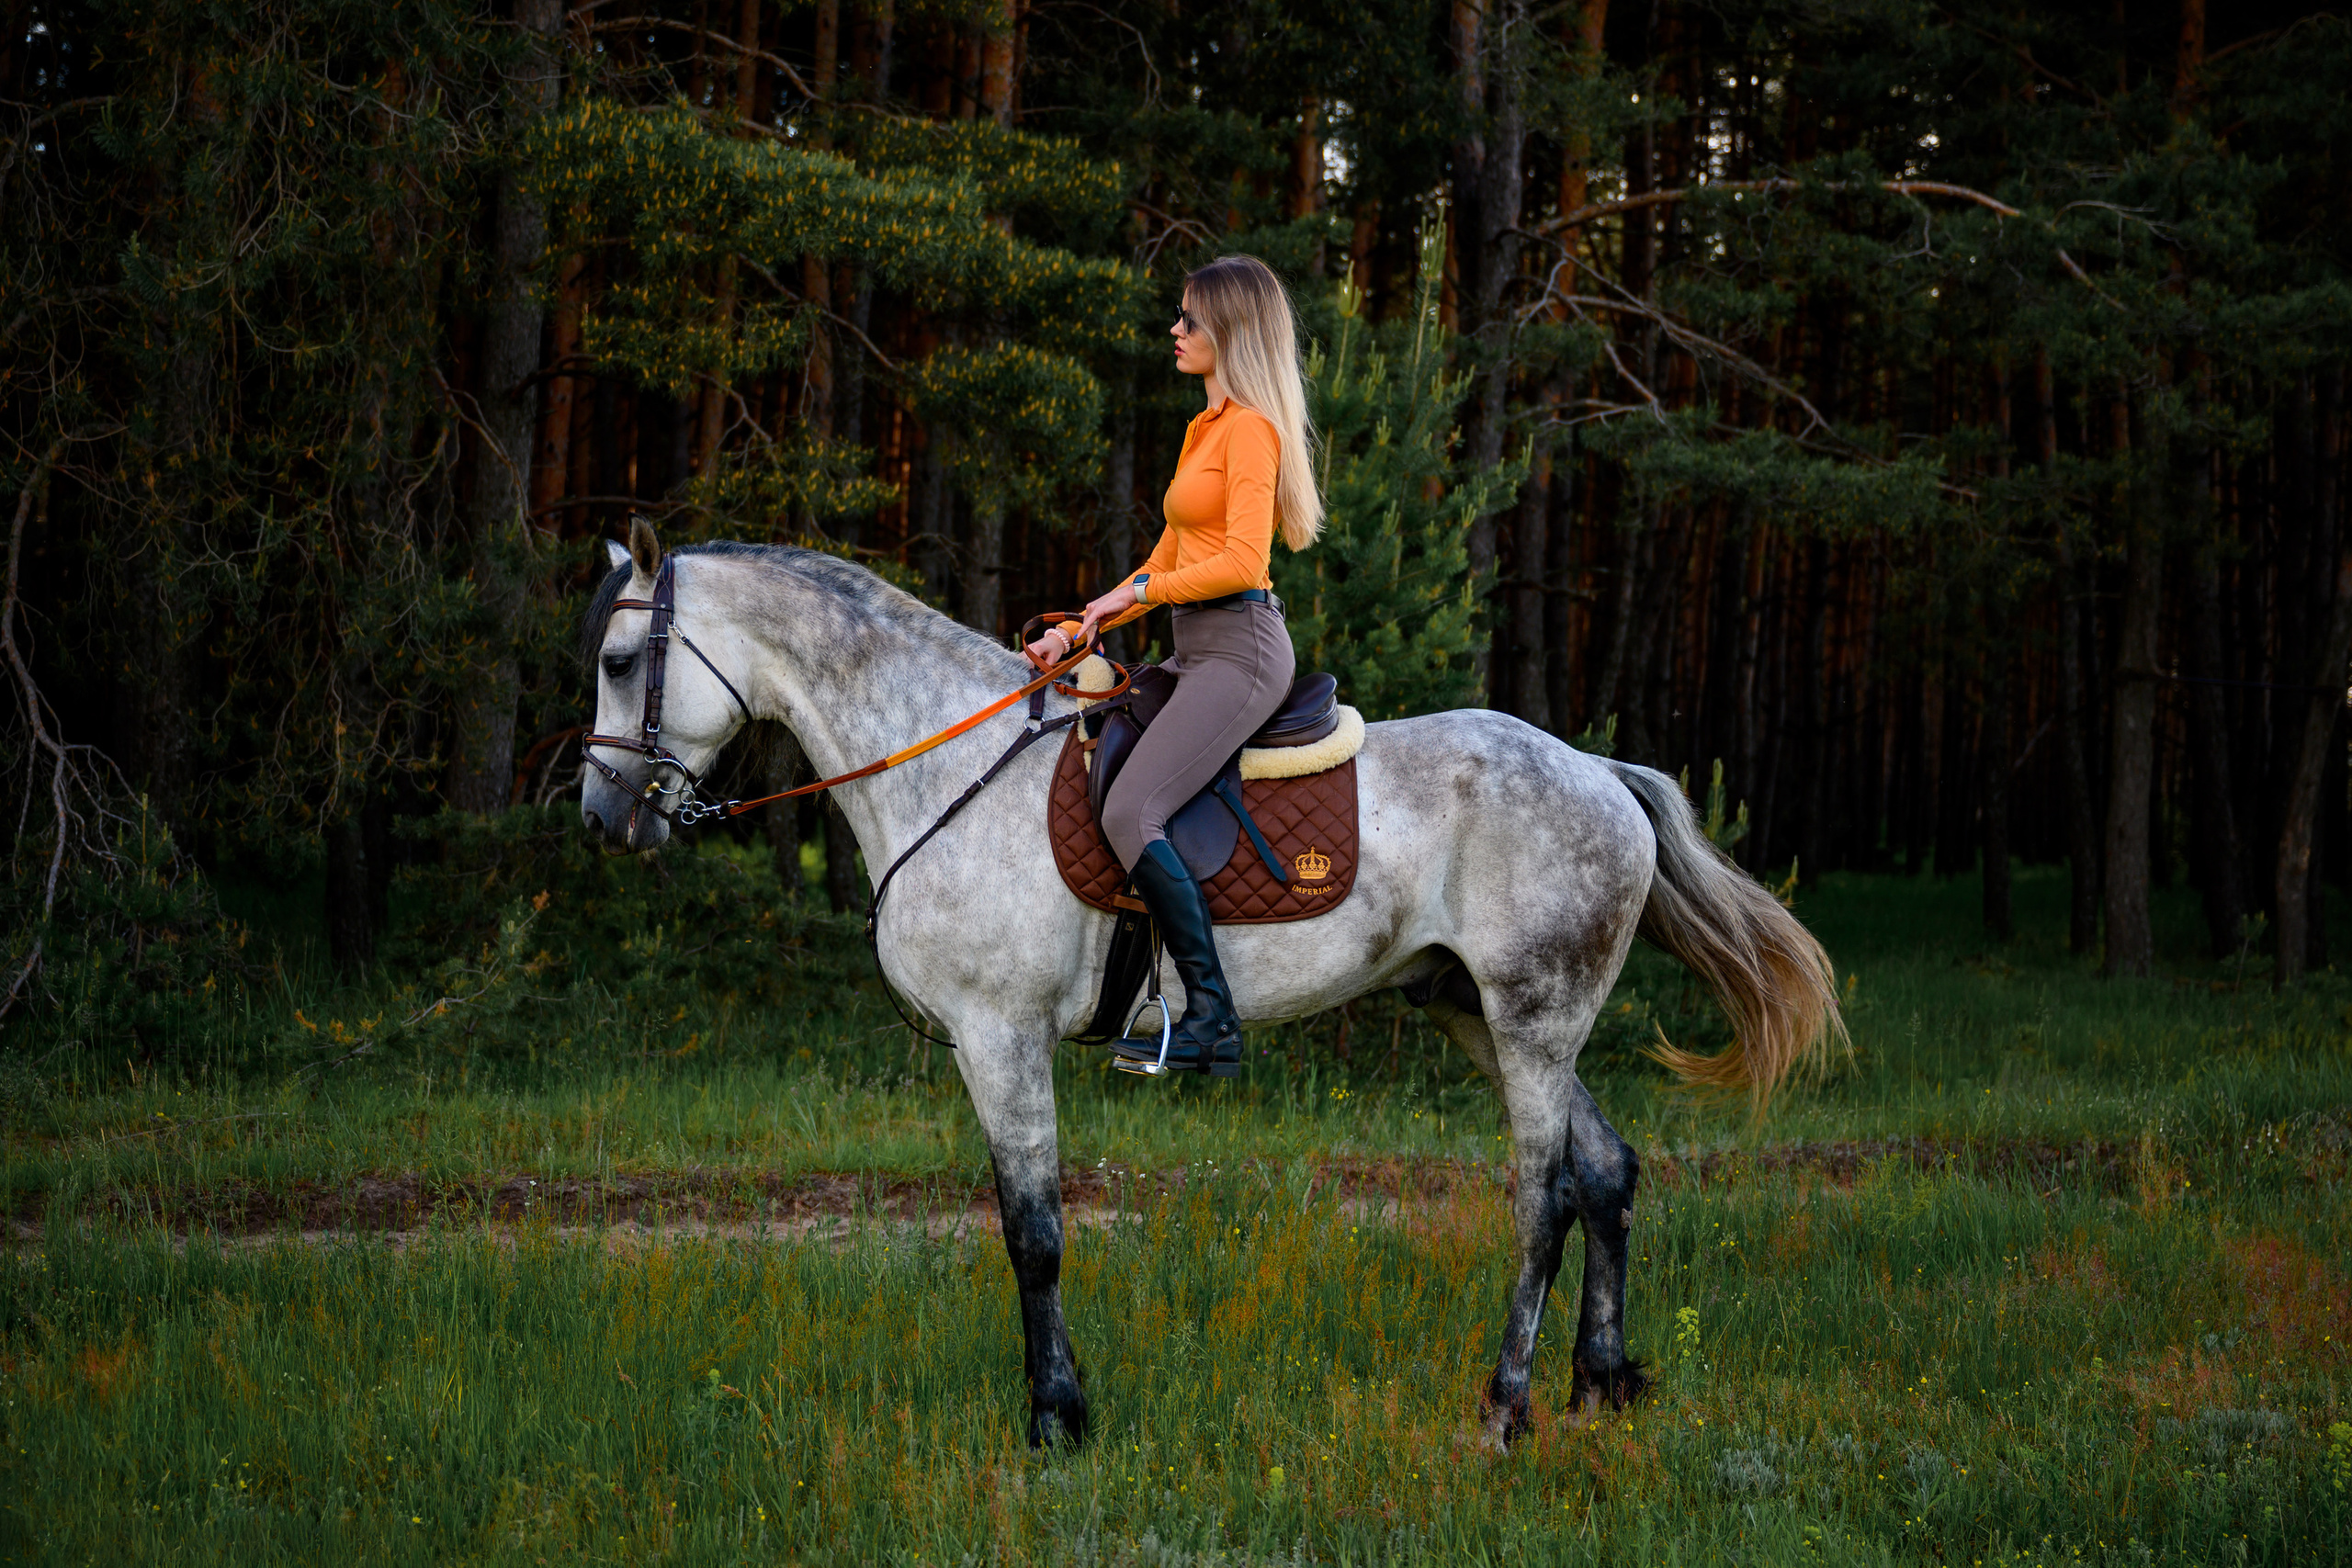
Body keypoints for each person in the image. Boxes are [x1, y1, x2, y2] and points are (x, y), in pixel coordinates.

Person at [1028, 254, 1323, 1076]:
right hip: (1195, 647)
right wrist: (1083, 625)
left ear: (1228, 330)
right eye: (1180, 316)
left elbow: (1240, 561)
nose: (1176, 329)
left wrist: (1154, 586)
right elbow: (1163, 557)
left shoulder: (1253, 432)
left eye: (1190, 318)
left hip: (1242, 650)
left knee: (1131, 813)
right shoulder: (1205, 429)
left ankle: (1213, 1018)